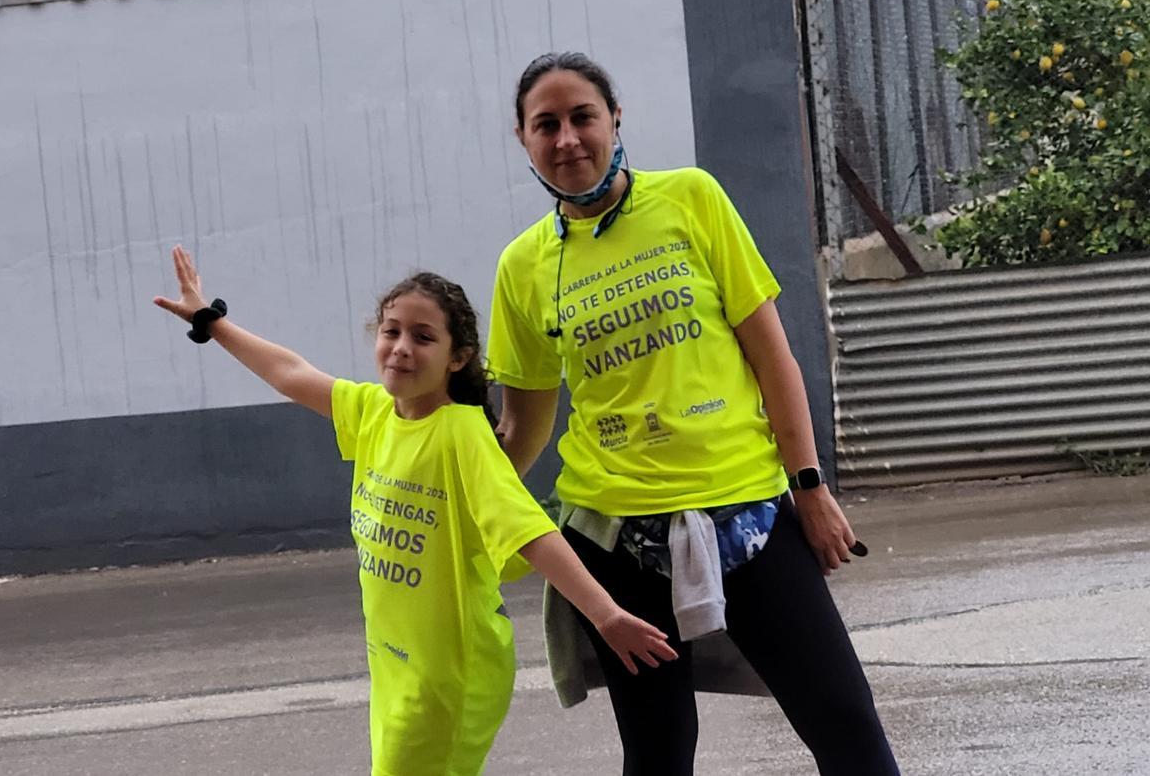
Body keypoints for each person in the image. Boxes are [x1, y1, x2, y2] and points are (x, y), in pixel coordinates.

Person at [487, 52, 900, 775]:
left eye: (583, 116)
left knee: (846, 728)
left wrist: (810, 487)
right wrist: (461, 503)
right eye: (545, 125)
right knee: (658, 755)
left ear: (615, 118)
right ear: (523, 139)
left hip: (749, 514)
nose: (567, 139)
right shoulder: (521, 266)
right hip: (616, 540)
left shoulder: (691, 197)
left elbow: (772, 357)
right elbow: (524, 428)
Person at [153, 245, 676, 776]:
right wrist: (210, 322)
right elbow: (289, 372)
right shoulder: (373, 412)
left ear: (458, 357)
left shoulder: (461, 435)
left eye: (423, 337)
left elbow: (529, 532)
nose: (402, 348)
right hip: (394, 661)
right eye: (392, 332)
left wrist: (605, 615)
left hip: (450, 672)